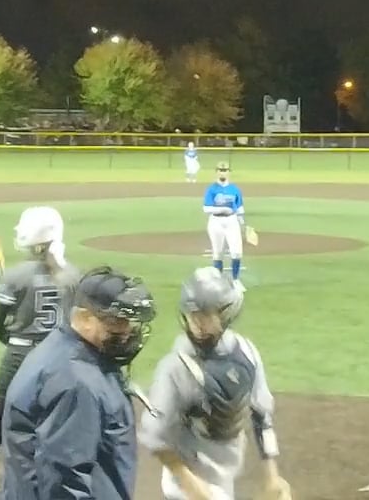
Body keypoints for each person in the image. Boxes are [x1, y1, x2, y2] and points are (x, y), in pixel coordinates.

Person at [0, 266, 157, 500]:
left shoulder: (67, 351)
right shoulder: (76, 381)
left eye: (128, 321)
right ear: (84, 318)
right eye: (116, 321)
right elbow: (64, 478)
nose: (126, 331)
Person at [141, 268, 291, 500]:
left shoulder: (246, 354)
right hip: (185, 484)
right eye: (193, 315)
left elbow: (262, 415)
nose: (198, 323)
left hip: (224, 475)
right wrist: (190, 483)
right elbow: (155, 435)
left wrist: (272, 476)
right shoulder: (176, 367)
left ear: (225, 313)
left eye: (206, 315)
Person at [0, 207, 78, 500]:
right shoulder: (73, 276)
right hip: (59, 364)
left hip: (18, 359)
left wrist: (15, 337)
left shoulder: (16, 275)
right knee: (50, 435)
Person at [202, 162, 246, 290]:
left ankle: (235, 280)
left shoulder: (235, 189)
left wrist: (243, 222)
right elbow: (206, 208)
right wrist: (223, 210)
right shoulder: (211, 189)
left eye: (225, 170)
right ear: (217, 172)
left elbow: (239, 207)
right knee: (218, 253)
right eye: (220, 170)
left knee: (236, 252)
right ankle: (219, 282)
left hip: (232, 221)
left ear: (228, 172)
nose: (223, 172)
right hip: (216, 222)